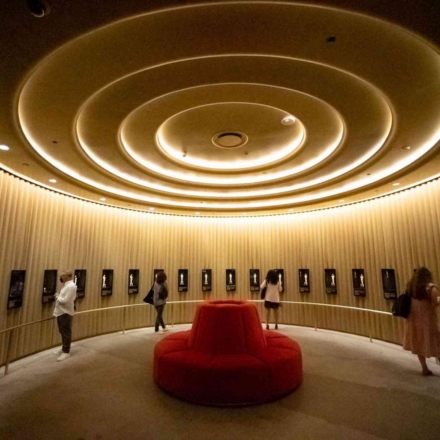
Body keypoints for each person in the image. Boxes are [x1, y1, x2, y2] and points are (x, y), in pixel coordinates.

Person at [402, 267, 440, 375]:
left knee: (418, 342)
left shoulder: (410, 287)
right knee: (437, 342)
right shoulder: (431, 288)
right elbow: (435, 303)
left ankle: (424, 368)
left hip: (413, 320)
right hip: (428, 320)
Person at [53, 269, 77, 362]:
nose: (60, 277)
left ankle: (66, 351)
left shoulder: (71, 286)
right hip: (60, 312)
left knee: (66, 332)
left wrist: (57, 297)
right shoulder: (66, 286)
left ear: (67, 276)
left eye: (62, 276)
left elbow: (65, 300)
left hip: (65, 312)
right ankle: (63, 348)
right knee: (62, 331)